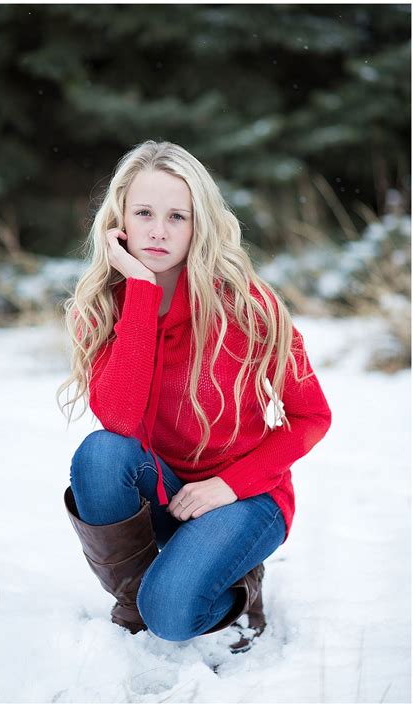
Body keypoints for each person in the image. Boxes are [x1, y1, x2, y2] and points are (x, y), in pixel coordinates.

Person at [57, 140, 332, 653]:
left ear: (199, 223)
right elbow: (118, 420)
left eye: (176, 216)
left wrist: (231, 484)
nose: (158, 231)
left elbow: (311, 415)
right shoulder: (101, 308)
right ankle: (136, 604)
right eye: (144, 213)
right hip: (165, 487)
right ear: (120, 221)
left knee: (174, 613)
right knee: (100, 455)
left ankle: (237, 588)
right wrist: (139, 292)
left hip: (248, 494)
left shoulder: (248, 305)